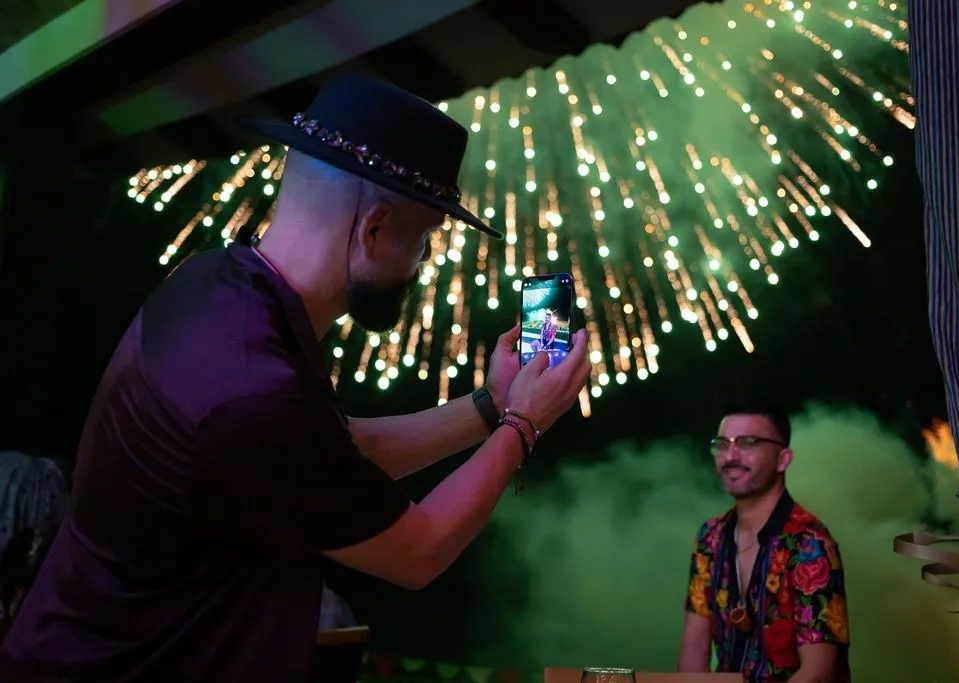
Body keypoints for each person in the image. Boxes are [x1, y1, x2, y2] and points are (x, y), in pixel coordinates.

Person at [0, 74, 591, 682]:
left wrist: (491, 405)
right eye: (422, 241)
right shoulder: (253, 391)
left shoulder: (215, 283)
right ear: (376, 228)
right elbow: (419, 550)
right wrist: (526, 423)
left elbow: (332, 457)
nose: (421, 264)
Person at [677, 399, 850, 682]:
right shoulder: (710, 537)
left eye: (748, 443)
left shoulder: (809, 543)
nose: (730, 455)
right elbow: (694, 648)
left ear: (784, 459)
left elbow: (818, 673)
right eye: (722, 444)